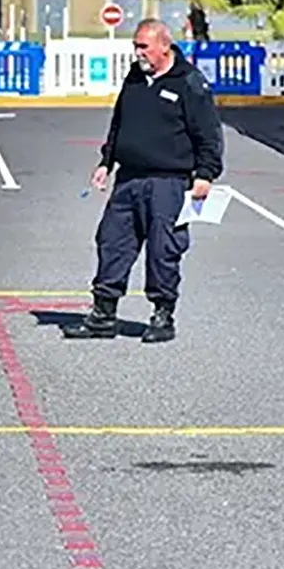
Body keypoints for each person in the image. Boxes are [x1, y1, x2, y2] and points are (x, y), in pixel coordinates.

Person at [65, 18, 224, 344]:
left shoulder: (189, 83)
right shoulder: (136, 78)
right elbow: (120, 122)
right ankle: (103, 313)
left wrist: (206, 174)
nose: (137, 53)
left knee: (163, 249)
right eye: (135, 46)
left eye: (143, 47)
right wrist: (106, 161)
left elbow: (208, 133)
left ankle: (163, 314)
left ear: (164, 46)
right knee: (111, 242)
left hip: (168, 182)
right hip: (129, 179)